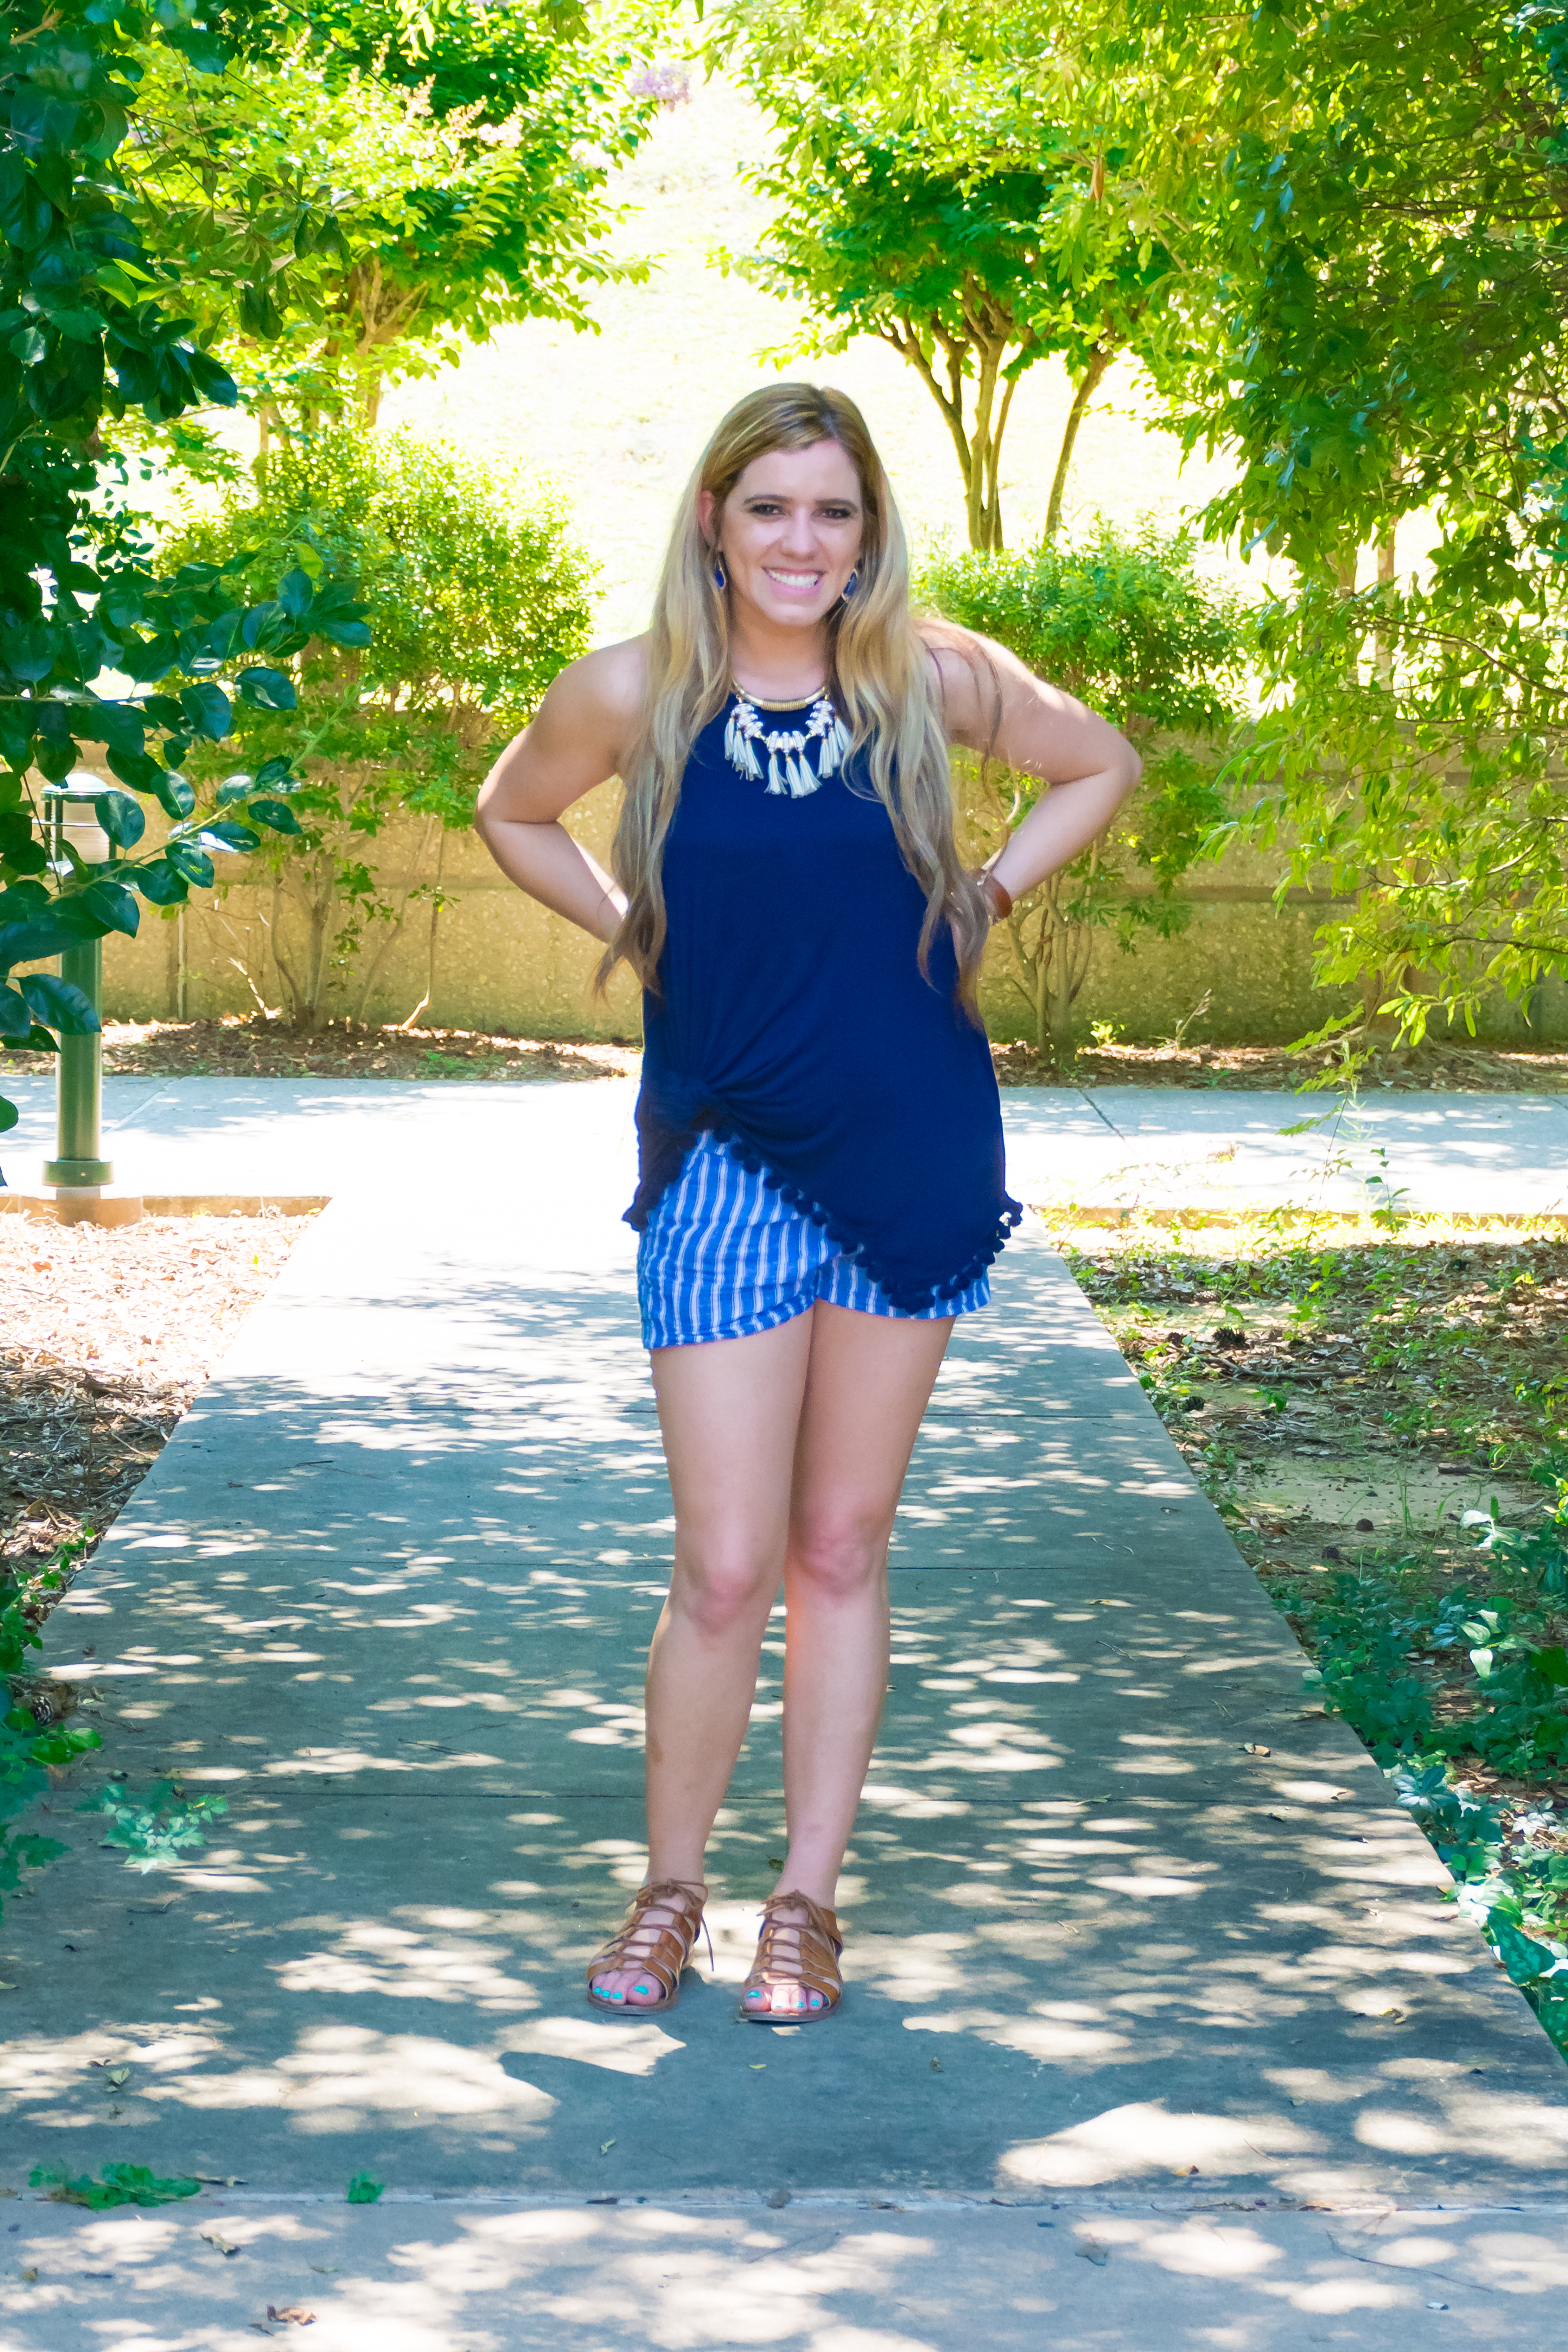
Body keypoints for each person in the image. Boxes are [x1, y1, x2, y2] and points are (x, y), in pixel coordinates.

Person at [475, 382, 1139, 2025]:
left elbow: (1098, 762)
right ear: (714, 517)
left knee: (838, 1546)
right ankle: (671, 1890)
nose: (800, 540)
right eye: (768, 506)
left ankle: (802, 1904)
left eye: (831, 510)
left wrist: (983, 890)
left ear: (868, 529)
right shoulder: (636, 690)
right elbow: (507, 808)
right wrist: (631, 915)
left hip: (910, 1147)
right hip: (721, 1151)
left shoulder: (928, 678)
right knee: (722, 1561)